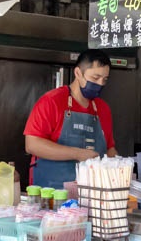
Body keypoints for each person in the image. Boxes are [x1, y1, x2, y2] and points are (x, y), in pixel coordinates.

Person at [24, 49, 117, 188]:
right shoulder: (52, 101)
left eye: (104, 79)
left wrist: (119, 168)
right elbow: (32, 145)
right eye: (95, 78)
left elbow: (110, 149)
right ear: (78, 73)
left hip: (91, 194)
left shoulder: (103, 109)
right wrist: (78, 154)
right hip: (51, 192)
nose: (100, 84)